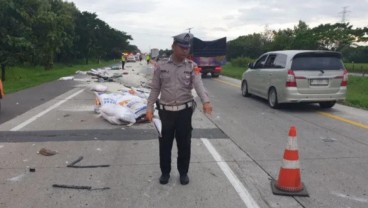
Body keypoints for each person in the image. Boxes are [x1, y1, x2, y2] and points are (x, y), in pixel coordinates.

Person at [145, 32, 213, 185]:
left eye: (187, 48)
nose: (185, 51)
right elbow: (155, 89)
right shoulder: (161, 66)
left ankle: (183, 173)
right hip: (165, 113)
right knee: (165, 145)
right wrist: (149, 108)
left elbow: (199, 85)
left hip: (184, 112)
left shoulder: (192, 66)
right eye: (182, 47)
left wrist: (206, 101)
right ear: (173, 47)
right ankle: (165, 173)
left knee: (184, 145)